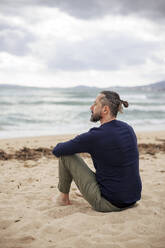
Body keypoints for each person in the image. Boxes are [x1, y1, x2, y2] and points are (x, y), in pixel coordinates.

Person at [52, 91, 142, 212]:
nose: (91, 107)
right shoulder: (128, 128)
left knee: (66, 155)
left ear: (105, 110)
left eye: (95, 104)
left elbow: (58, 150)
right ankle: (87, 191)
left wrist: (79, 141)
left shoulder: (96, 136)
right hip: (132, 198)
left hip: (110, 203)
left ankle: (63, 199)